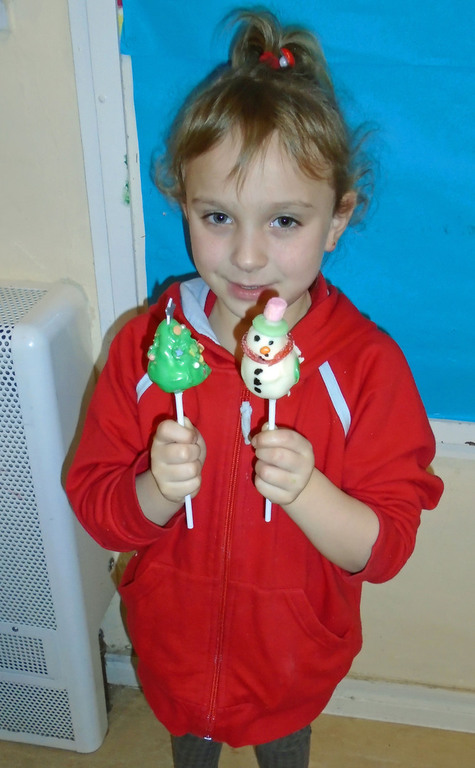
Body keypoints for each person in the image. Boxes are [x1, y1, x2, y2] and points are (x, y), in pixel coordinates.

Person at [66, 8, 443, 767]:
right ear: (182, 203)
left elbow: (385, 549)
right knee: (191, 749)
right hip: (173, 651)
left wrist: (308, 492)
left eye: (284, 222)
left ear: (336, 220)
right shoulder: (145, 348)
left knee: (282, 753)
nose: (245, 256)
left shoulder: (367, 369)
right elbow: (100, 511)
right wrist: (154, 491)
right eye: (217, 216)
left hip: (291, 662)